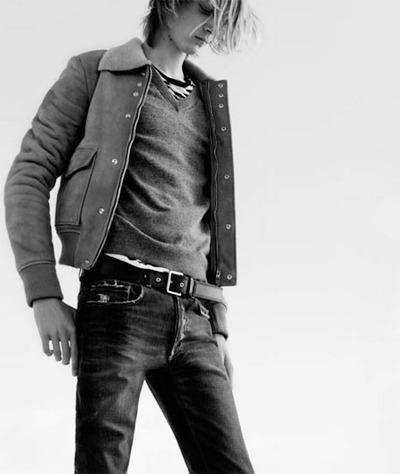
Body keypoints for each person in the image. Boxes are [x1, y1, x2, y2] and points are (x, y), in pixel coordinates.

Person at [4, 0, 260, 472]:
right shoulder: (94, 73)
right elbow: (28, 175)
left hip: (195, 315)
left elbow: (204, 220)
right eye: (205, 8)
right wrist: (43, 294)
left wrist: (217, 323)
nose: (212, 26)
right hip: (117, 300)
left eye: (222, 17)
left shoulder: (209, 101)